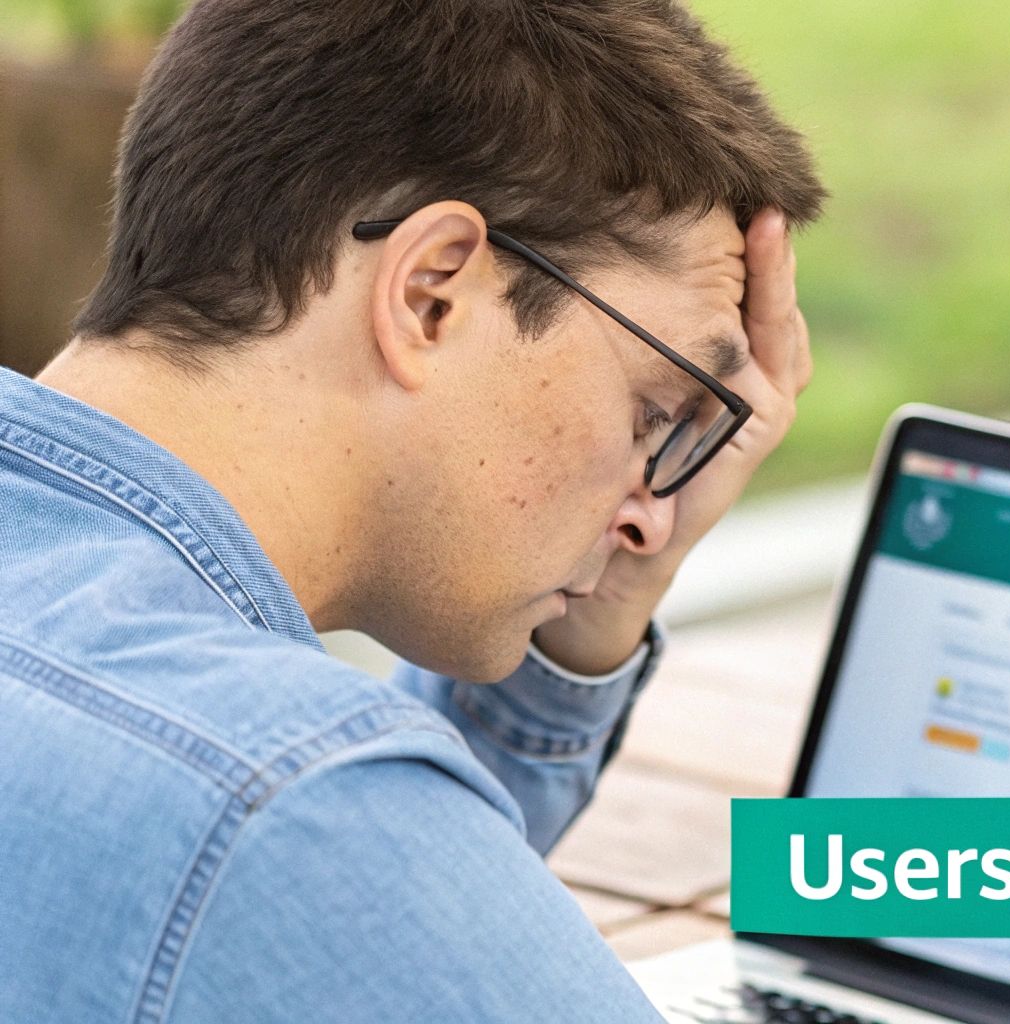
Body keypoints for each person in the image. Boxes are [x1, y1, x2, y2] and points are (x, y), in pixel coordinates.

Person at [0, 0, 822, 1019]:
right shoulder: (285, 810)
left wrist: (589, 606)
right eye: (656, 412)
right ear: (431, 292)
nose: (653, 516)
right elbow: (309, 856)